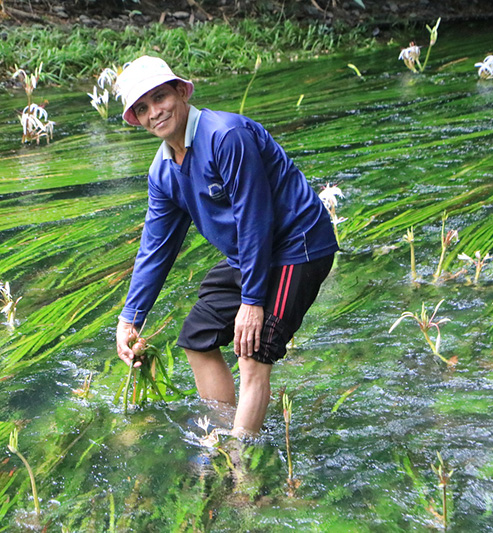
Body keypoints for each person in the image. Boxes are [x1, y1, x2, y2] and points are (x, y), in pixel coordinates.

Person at [113, 56, 338, 438]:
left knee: (253, 352)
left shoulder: (225, 136)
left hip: (296, 247)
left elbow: (255, 217)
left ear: (182, 92)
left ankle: (241, 468)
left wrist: (252, 302)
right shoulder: (162, 171)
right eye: (142, 108)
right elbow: (156, 245)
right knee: (197, 336)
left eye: (161, 97)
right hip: (250, 253)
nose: (155, 112)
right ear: (136, 118)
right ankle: (221, 435)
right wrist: (130, 316)